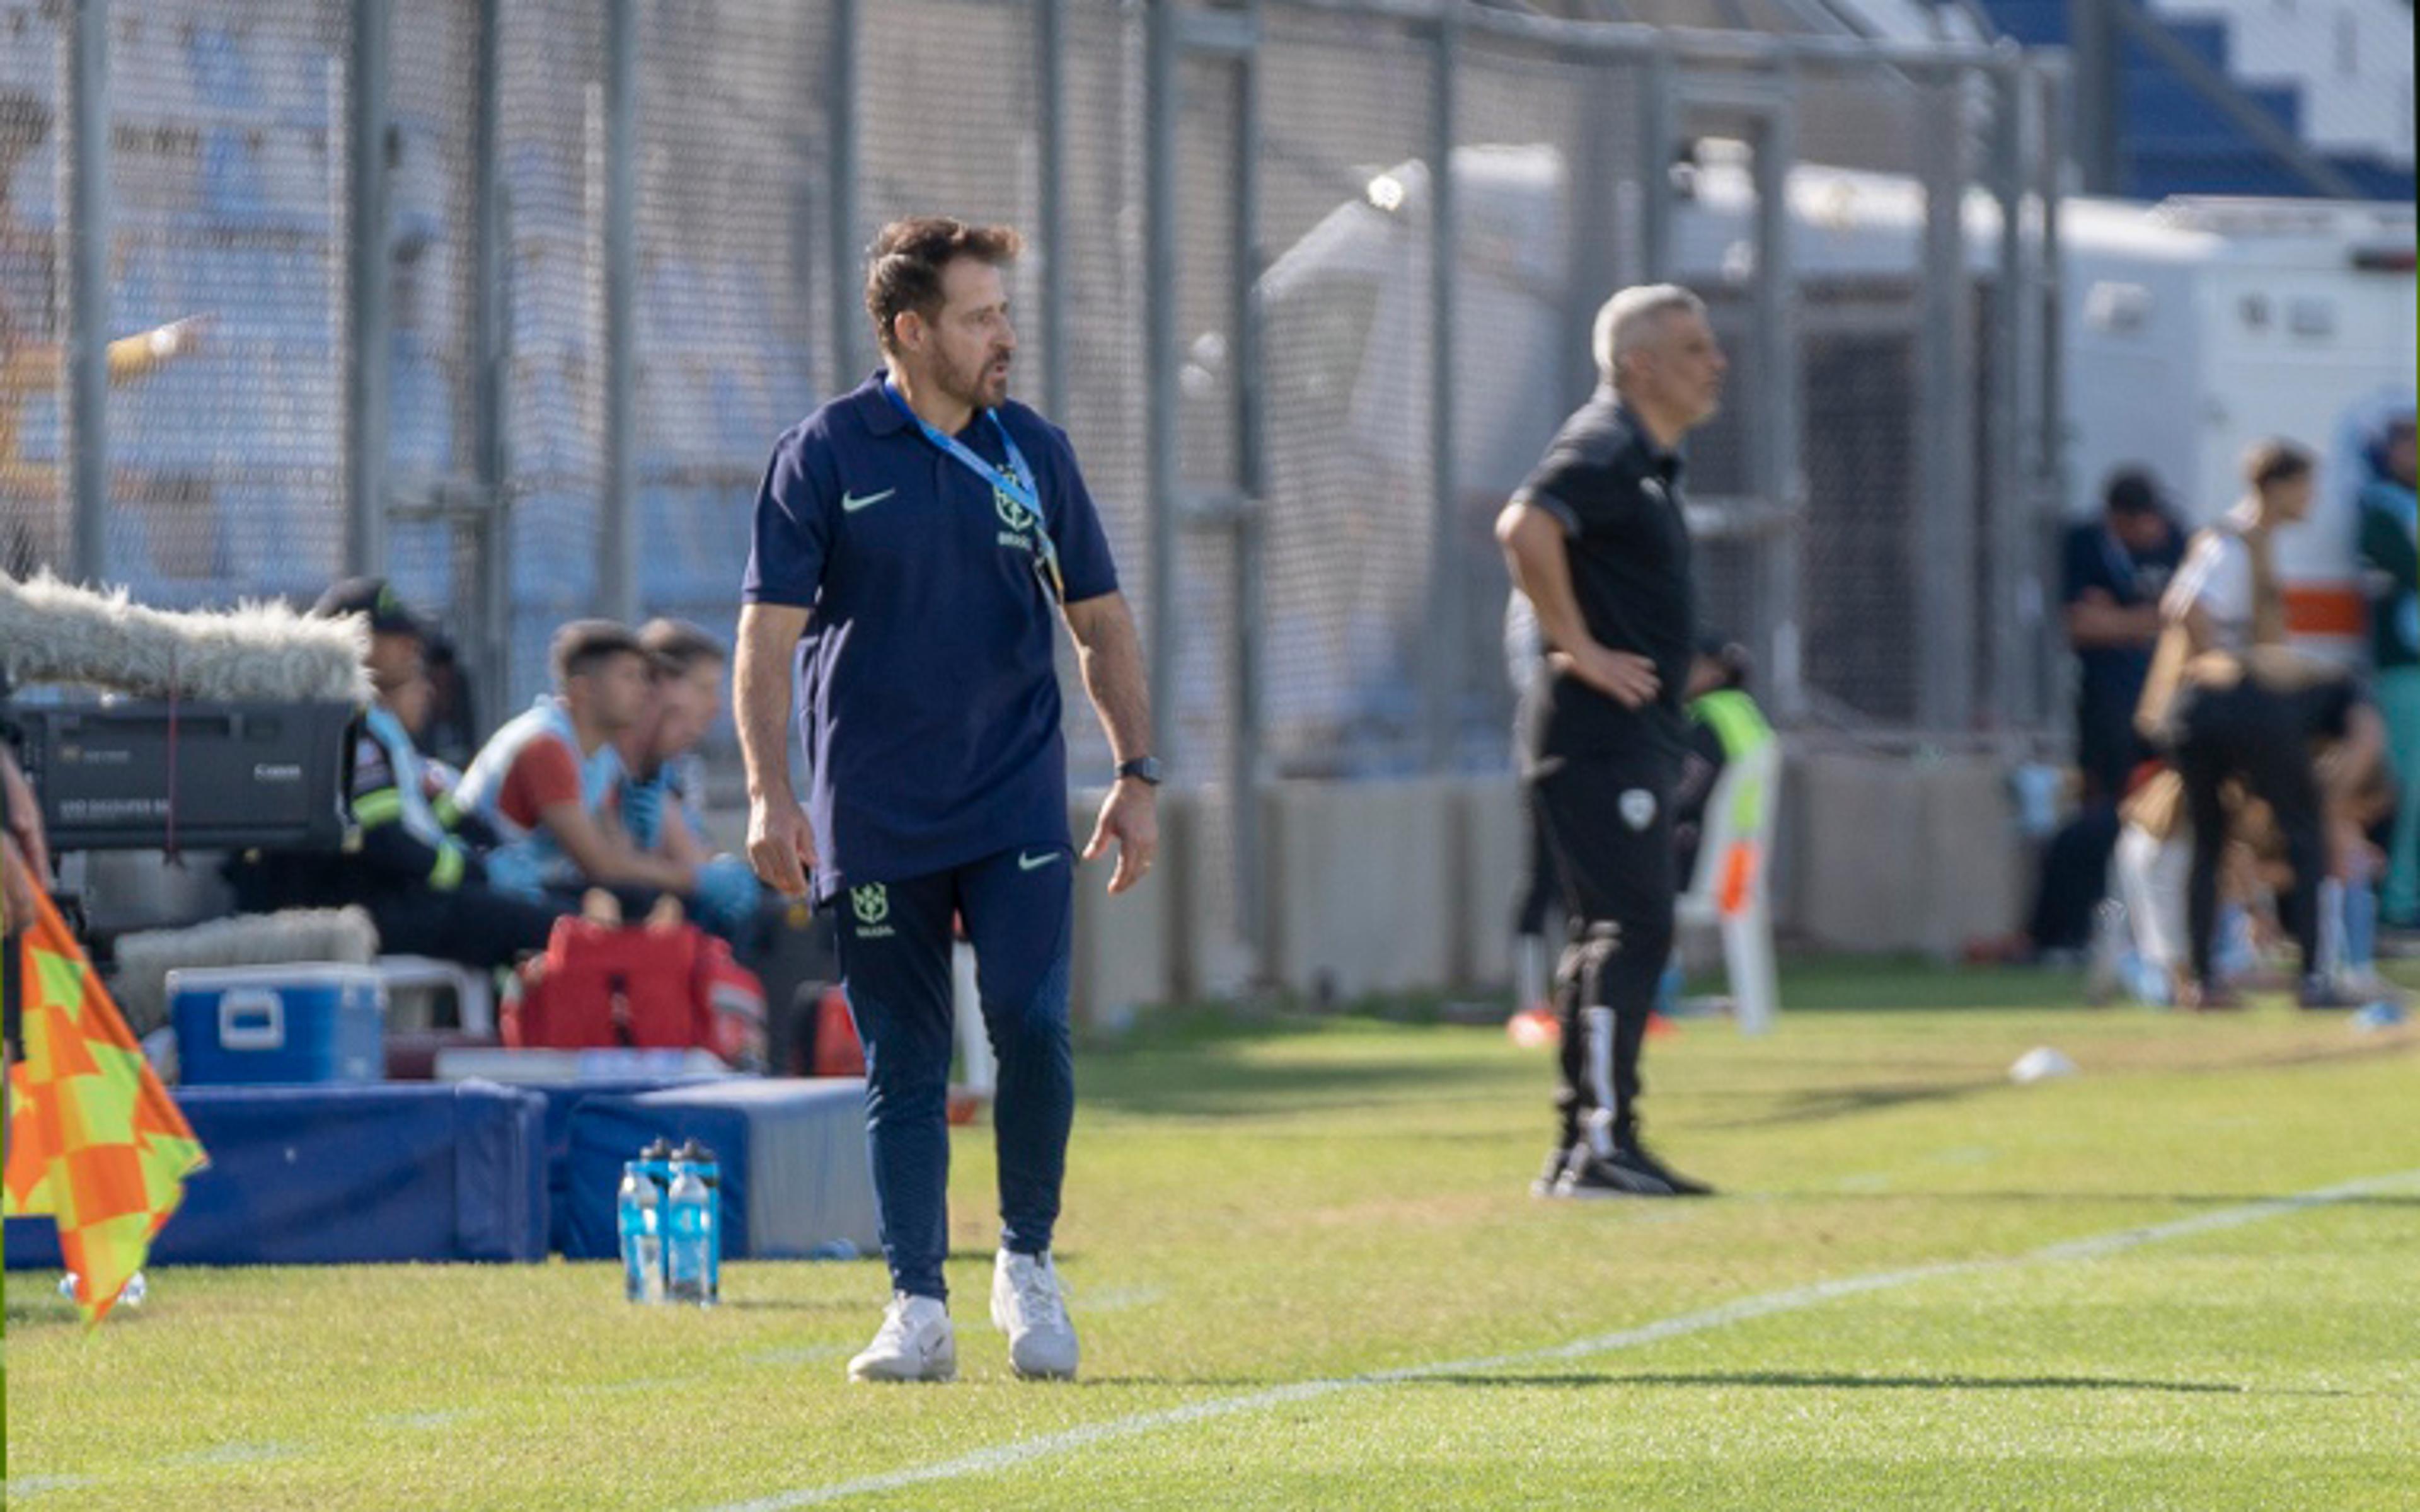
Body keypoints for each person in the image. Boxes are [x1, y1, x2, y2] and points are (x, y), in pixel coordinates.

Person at [734, 217, 1156, 1384]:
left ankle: (1026, 1263)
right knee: (905, 1060)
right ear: (912, 331)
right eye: (980, 317)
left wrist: (1136, 773)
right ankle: (915, 1305)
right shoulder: (822, 452)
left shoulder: (1034, 452)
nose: (1005, 336)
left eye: (1003, 313)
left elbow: (1102, 623)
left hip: (1016, 797)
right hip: (872, 808)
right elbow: (763, 642)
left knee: (1029, 1021)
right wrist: (772, 794)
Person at [1493, 283, 1724, 1200]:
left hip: (1630, 738)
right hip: (1593, 738)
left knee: (1617, 926)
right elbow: (1525, 525)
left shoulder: (1650, 463)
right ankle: (1598, 1141)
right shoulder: (1605, 442)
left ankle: (1592, 1141)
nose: (1717, 363)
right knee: (1631, 926)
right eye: (1697, 348)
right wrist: (1578, 647)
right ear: (1641, 365)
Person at [231, 578, 561, 969]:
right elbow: (385, 842)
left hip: (389, 896)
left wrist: (495, 861)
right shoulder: (337, 723)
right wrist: (475, 873)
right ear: (351, 639)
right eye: (394, 634)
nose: (413, 646)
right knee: (551, 928)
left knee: (551, 914)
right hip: (355, 907)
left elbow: (439, 816)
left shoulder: (371, 725)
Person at [2165, 648, 2385, 1012]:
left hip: (2187, 711)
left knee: (2207, 846)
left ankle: (2202, 983)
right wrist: (2324, 803)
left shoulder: (2293, 670)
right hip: (2260, 715)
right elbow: (2368, 742)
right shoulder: (2348, 687)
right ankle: (2314, 981)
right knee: (2307, 842)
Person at [454, 619, 700, 908]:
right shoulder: (546, 747)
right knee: (637, 908)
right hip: (488, 890)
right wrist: (688, 878)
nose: (644, 691)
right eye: (629, 677)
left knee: (653, 904)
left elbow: (617, 850)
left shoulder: (601, 756)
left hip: (534, 885)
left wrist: (673, 883)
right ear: (583, 690)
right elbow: (600, 865)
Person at [616, 617, 759, 936]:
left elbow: (692, 853)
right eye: (704, 688)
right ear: (659, 684)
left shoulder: (659, 773)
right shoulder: (603, 757)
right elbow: (610, 864)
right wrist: (701, 877)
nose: (715, 708)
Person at [2063, 469, 2185, 805]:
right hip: (2106, 690)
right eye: (2141, 520)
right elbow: (2079, 626)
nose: (2152, 528)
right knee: (2108, 774)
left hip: (2161, 683)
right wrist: (2148, 620)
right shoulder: (2084, 545)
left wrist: (2115, 619)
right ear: (2117, 519)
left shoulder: (2175, 541)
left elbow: (2183, 617)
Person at [2356, 413, 2419, 925]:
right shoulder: (2380, 507)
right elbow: (2403, 563)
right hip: (2405, 663)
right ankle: (2398, 898)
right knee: (2405, 781)